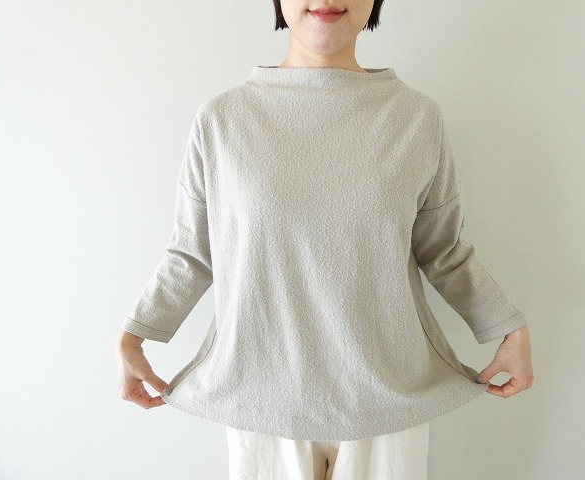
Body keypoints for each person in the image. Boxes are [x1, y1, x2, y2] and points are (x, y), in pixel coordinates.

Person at [116, 0, 534, 478]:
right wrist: (134, 335)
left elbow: (443, 250)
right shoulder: (222, 119)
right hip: (261, 400)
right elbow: (193, 252)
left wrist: (508, 327)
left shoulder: (416, 118)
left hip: (388, 400)